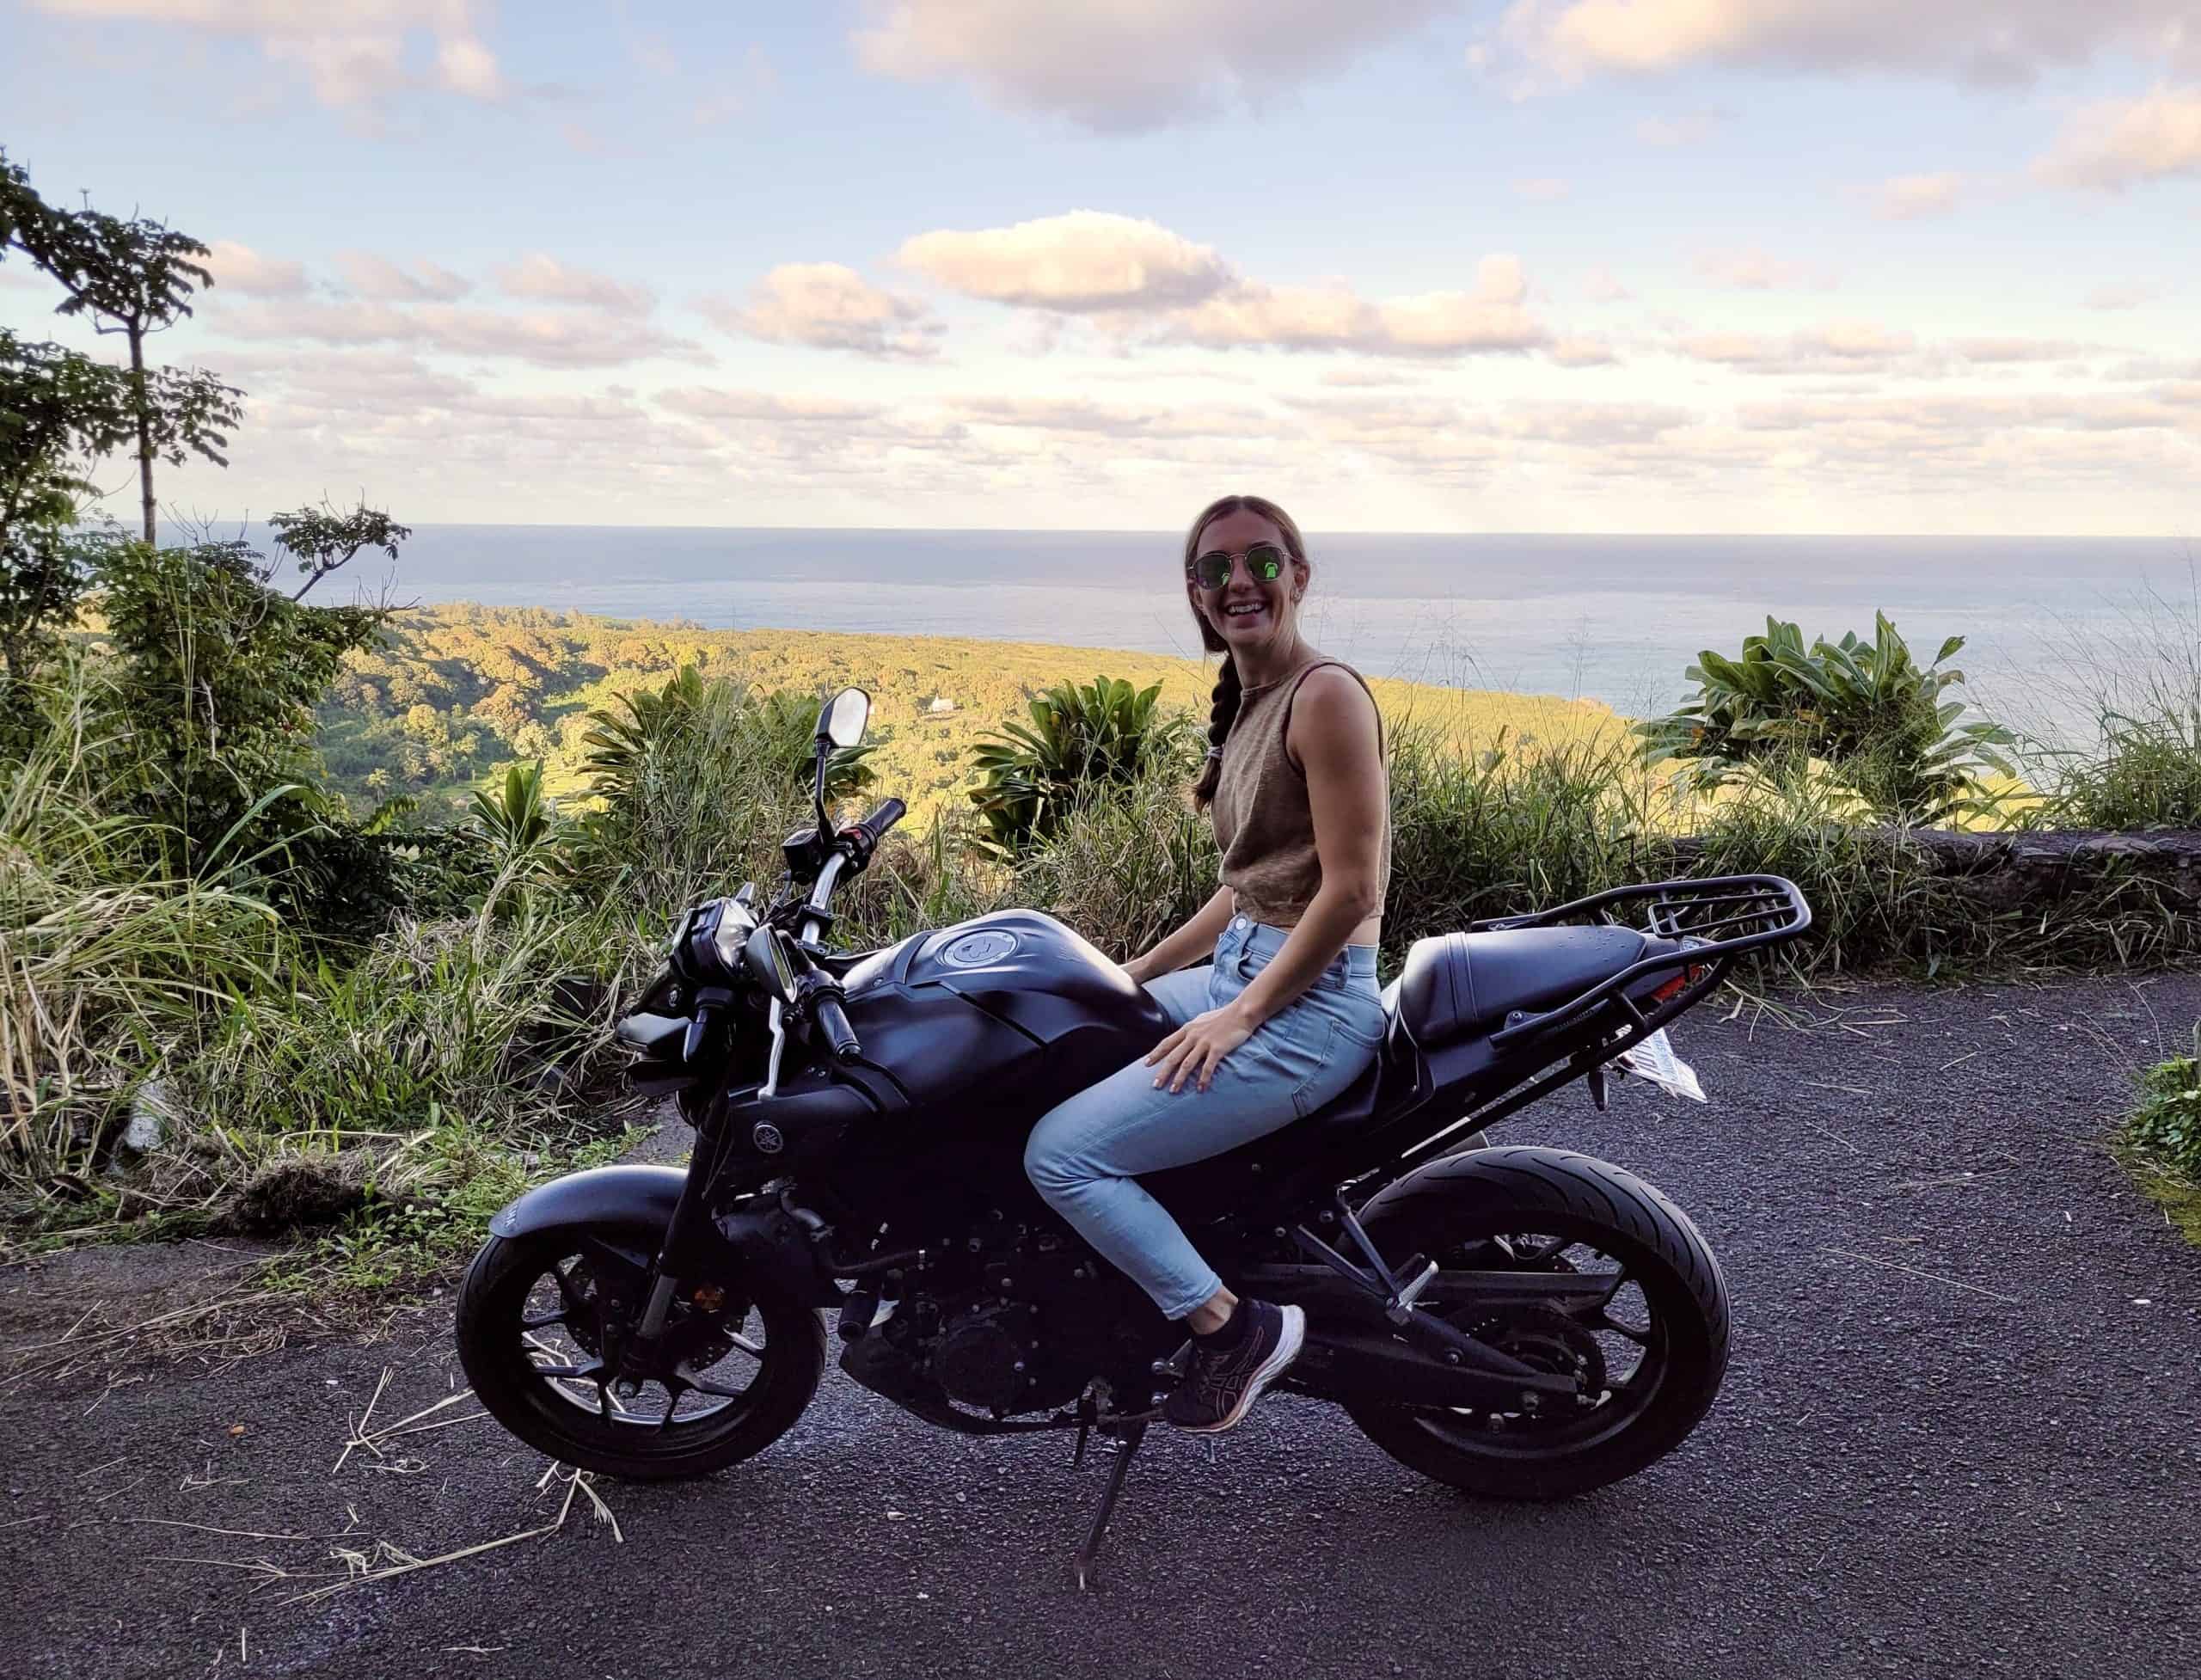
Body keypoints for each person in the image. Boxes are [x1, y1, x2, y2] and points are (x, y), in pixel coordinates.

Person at [1024, 494, 1391, 1433]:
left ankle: (1229, 1328)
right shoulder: (1253, 700)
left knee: (1063, 1156)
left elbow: (1350, 892)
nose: (1239, 582)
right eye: (1215, 569)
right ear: (1193, 592)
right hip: (1245, 970)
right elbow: (1249, 885)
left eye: (1262, 561)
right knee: (1049, 1049)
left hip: (1305, 1008)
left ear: (1298, 577)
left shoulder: (1327, 696)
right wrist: (1131, 972)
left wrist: (1241, 1016)